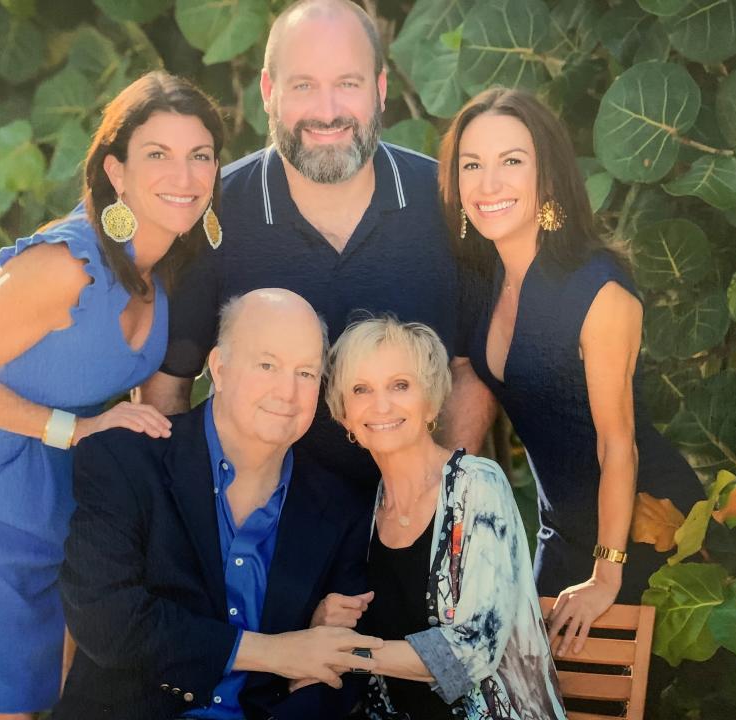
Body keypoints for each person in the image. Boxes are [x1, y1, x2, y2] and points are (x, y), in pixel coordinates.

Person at [0, 71, 225, 719]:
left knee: (66, 691)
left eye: (200, 155)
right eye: (157, 155)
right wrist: (71, 431)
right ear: (117, 171)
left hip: (68, 499)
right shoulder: (65, 266)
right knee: (8, 704)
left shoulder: (160, 275)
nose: (183, 176)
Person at [138, 0, 495, 493]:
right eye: (303, 85)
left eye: (347, 84)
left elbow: (468, 370)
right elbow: (166, 387)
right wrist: (201, 521)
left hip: (409, 520)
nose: (327, 112)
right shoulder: (211, 214)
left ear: (380, 88)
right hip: (261, 530)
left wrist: (438, 504)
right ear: (268, 91)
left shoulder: (446, 203)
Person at [437, 87, 705, 655]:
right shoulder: (481, 277)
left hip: (641, 524)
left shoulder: (597, 291)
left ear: (549, 177)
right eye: (472, 165)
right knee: (526, 682)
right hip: (560, 530)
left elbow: (618, 445)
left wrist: (607, 576)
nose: (489, 184)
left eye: (512, 161)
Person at [53, 289, 381, 720]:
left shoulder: (343, 506)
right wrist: (275, 653)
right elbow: (106, 620)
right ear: (220, 369)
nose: (287, 391)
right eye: (267, 365)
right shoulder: (125, 462)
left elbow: (340, 669)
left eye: (306, 373)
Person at [316, 316, 565, 719]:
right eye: (361, 389)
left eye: (400, 385)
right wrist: (323, 621)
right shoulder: (364, 510)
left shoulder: (477, 486)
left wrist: (347, 654)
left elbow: (473, 650)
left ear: (430, 401)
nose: (381, 405)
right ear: (344, 414)